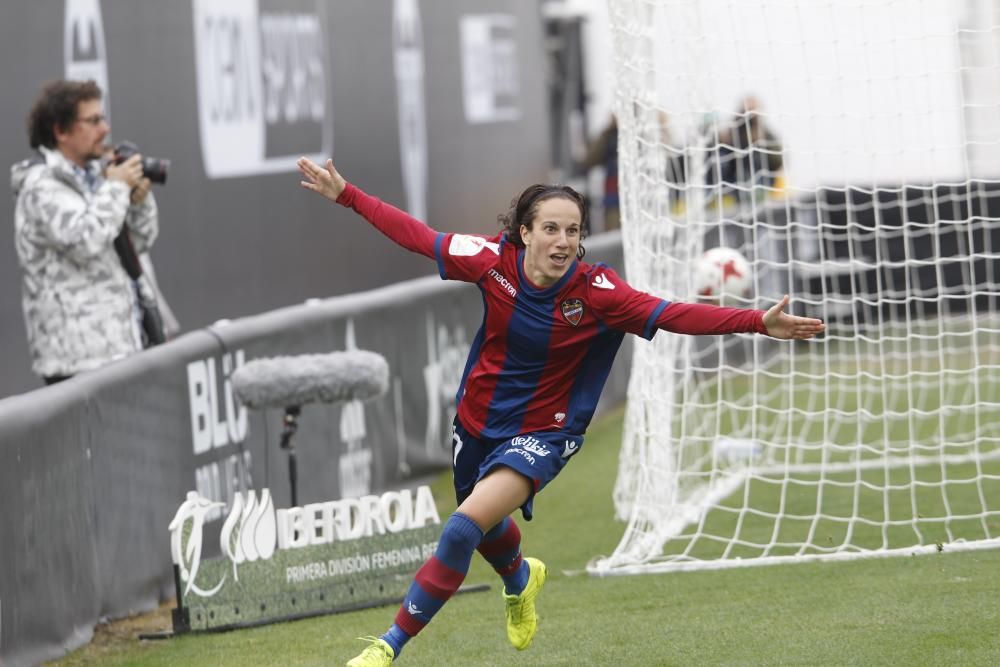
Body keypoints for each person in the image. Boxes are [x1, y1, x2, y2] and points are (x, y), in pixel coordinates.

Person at [297, 156, 824, 666]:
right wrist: (347, 195)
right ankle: (520, 579)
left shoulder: (599, 292)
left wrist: (756, 321)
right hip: (476, 421)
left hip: (545, 433)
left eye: (573, 231)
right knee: (482, 521)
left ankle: (385, 647)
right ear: (525, 233)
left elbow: (671, 314)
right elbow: (417, 236)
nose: (564, 241)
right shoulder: (490, 261)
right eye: (551, 229)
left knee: (461, 529)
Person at [11, 80, 159, 384]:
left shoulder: (99, 177)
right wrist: (117, 188)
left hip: (122, 350)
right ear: (61, 131)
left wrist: (138, 202)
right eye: (93, 121)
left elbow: (140, 242)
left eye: (103, 118)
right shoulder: (41, 187)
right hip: (77, 365)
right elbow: (85, 240)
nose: (105, 129)